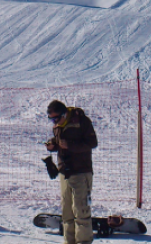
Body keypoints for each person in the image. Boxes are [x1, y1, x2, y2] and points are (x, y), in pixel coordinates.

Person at [45, 100, 98, 244]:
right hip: (64, 172)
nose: (54, 121)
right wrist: (52, 145)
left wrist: (70, 145)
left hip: (81, 172)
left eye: (56, 118)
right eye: (52, 119)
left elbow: (92, 143)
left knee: (81, 212)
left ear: (64, 114)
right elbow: (59, 141)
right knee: (67, 213)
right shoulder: (57, 125)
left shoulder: (81, 121)